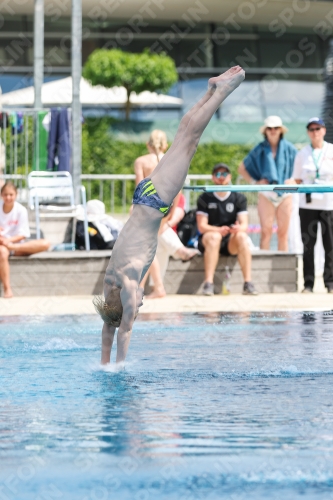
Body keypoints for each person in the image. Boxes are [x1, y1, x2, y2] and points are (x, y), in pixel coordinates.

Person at [93, 65, 246, 364]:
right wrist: (103, 364)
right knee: (183, 137)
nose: (140, 302)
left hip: (154, 203)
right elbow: (108, 328)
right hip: (144, 200)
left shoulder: (126, 281)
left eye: (136, 305)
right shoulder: (110, 281)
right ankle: (212, 89)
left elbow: (122, 330)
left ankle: (222, 92)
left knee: (190, 142)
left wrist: (119, 367)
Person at [134, 129, 199, 299]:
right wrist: (170, 215)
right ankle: (149, 286)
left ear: (148, 144)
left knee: (147, 248)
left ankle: (157, 287)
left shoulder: (141, 161)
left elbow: (139, 188)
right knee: (152, 245)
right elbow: (177, 189)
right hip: (166, 205)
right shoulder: (173, 161)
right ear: (165, 145)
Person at [285, 117, 333, 293]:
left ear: (324, 130)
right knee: (308, 245)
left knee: (330, 245)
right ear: (308, 132)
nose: (315, 132)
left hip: (329, 204)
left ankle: (330, 283)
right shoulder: (302, 153)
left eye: (318, 129)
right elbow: (297, 178)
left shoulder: (331, 150)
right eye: (312, 129)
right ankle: (308, 284)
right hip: (308, 204)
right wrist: (290, 182)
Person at [196, 163, 258, 296]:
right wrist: (218, 230)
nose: (221, 177)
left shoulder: (239, 198)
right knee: (214, 237)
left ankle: (248, 283)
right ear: (213, 178)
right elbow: (202, 227)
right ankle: (208, 283)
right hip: (210, 239)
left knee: (242, 236)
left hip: (230, 240)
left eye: (224, 174)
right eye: (218, 174)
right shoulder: (204, 198)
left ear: (229, 177)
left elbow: (244, 225)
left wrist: (236, 228)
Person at [238, 116, 297, 251]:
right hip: (266, 192)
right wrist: (255, 182)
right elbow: (241, 168)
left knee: (283, 233)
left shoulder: (290, 148)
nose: (273, 131)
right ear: (265, 131)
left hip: (285, 193)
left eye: (276, 128)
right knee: (265, 232)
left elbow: (300, 167)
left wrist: (294, 179)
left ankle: (283, 268)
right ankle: (262, 268)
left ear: (281, 130)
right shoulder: (259, 149)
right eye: (269, 128)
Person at [0, 182, 50, 298]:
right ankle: (7, 289)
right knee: (2, 252)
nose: (8, 197)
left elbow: (23, 234)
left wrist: (10, 242)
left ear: (16, 195)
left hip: (17, 246)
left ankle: (12, 247)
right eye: (5, 194)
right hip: (2, 246)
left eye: (11, 195)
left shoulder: (21, 210)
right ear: (1, 195)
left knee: (45, 243)